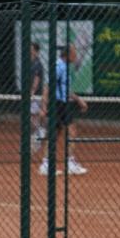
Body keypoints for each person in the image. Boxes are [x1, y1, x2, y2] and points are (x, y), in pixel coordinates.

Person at [38, 43, 88, 176]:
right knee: (69, 131)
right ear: (68, 54)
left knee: (56, 134)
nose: (76, 55)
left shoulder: (64, 67)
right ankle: (63, 163)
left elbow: (66, 90)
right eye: (74, 53)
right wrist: (43, 106)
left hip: (63, 104)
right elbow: (47, 86)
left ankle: (48, 164)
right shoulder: (58, 66)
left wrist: (79, 100)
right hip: (57, 104)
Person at [29, 41, 45, 154]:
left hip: (36, 95)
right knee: (33, 116)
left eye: (31, 49)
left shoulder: (37, 64)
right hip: (33, 95)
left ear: (36, 51)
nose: (29, 50)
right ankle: (39, 134)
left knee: (33, 116)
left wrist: (32, 92)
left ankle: (39, 134)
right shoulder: (31, 63)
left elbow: (36, 79)